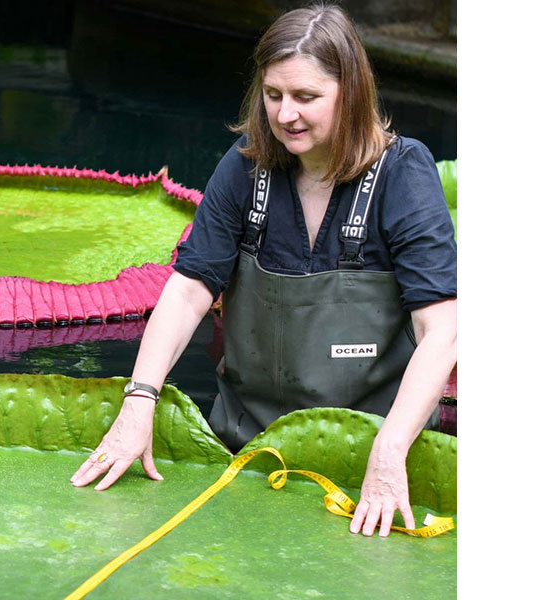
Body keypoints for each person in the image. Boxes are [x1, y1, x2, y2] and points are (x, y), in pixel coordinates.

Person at [69, 3, 456, 539]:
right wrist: (140, 400)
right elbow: (188, 292)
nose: (285, 115)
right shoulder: (245, 167)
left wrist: (389, 451)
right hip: (247, 449)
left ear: (350, 92)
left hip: (371, 454)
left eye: (305, 97)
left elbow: (443, 328)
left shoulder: (402, 172)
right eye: (274, 95)